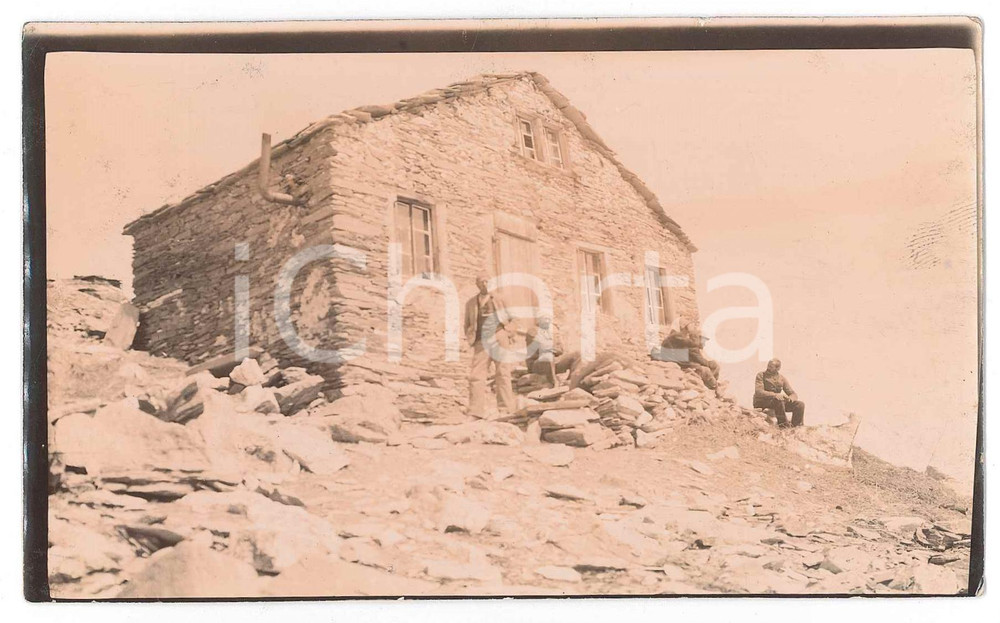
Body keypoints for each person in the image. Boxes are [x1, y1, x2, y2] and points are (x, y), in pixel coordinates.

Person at [463, 274, 515, 418]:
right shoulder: (471, 303)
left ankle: (505, 409)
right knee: (476, 376)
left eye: (487, 282)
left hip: (499, 338)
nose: (485, 284)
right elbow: (467, 324)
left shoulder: (500, 299)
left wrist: (507, 334)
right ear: (477, 285)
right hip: (482, 341)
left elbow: (512, 318)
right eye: (481, 282)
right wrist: (471, 339)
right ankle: (475, 411)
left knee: (503, 373)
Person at [655, 321, 720, 389]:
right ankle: (713, 387)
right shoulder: (677, 336)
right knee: (705, 369)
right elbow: (694, 346)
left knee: (707, 368)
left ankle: (712, 385)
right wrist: (693, 333)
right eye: (703, 341)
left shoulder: (678, 337)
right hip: (674, 361)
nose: (704, 344)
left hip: (676, 359)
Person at [523, 314, 581, 388]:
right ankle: (553, 383)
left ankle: (572, 380)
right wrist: (552, 348)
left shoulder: (553, 331)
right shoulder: (533, 331)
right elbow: (541, 348)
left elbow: (561, 349)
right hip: (537, 364)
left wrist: (551, 347)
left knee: (577, 354)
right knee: (547, 356)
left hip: (554, 362)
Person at [753, 358, 805, 428]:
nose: (768, 368)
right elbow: (759, 392)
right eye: (768, 365)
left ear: (778, 368)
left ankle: (795, 427)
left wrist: (790, 399)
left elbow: (793, 393)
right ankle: (783, 426)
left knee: (800, 405)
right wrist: (775, 395)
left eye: (771, 367)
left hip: (777, 403)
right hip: (762, 401)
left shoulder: (781, 378)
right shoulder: (761, 375)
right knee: (779, 401)